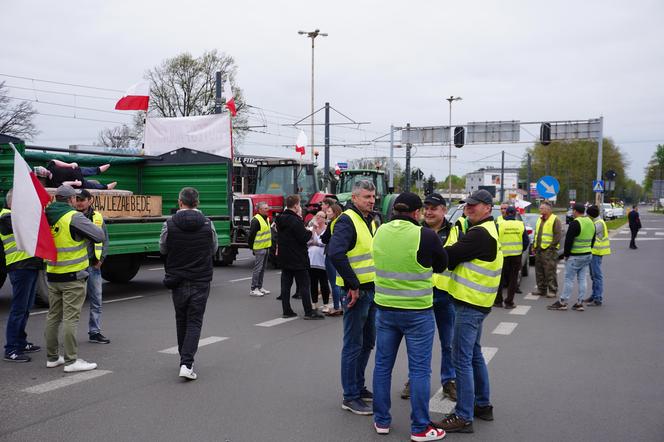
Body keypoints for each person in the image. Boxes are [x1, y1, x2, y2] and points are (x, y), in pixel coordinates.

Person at [371, 192, 447, 441]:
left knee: (382, 366)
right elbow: (441, 265)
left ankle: (381, 421)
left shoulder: (379, 231)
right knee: (419, 371)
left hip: (385, 310)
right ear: (416, 213)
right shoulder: (425, 235)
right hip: (417, 313)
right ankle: (420, 428)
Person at [433, 189, 503, 434]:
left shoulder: (479, 235)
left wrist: (436, 247)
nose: (468, 208)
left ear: (488, 208)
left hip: (469, 305)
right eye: (467, 205)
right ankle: (482, 405)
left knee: (460, 360)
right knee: (473, 355)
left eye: (474, 205)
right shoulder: (485, 230)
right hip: (477, 303)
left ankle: (463, 416)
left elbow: (448, 257)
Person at [401, 193, 457, 403]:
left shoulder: (454, 231)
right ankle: (413, 380)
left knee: (448, 342)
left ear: (444, 210)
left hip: (446, 294)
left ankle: (449, 381)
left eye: (435, 207)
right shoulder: (415, 231)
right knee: (416, 344)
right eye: (427, 207)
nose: (430, 211)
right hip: (419, 294)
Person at [329, 180, 377, 416]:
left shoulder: (370, 219)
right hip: (356, 292)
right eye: (366, 196)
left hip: (371, 290)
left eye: (373, 196)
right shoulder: (348, 219)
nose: (371, 200)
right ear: (355, 198)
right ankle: (350, 396)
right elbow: (335, 253)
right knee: (353, 345)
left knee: (367, 342)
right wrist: (353, 284)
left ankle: (358, 387)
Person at [44, 185, 105, 372]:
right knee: (71, 318)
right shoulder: (73, 216)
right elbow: (99, 235)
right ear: (70, 199)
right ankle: (71, 361)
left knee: (53, 316)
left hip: (53, 274)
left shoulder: (45, 216)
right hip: (72, 276)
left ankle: (52, 357)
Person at [160, 187, 217, 380]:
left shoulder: (169, 223)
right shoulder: (208, 224)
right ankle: (187, 363)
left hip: (177, 278)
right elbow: (214, 247)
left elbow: (163, 247)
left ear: (180, 202)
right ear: (197, 203)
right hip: (201, 278)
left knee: (181, 319)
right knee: (194, 321)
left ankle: (183, 358)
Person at [0, 189, 43, 362]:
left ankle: (21, 341)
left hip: (29, 265)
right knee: (18, 309)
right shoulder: (6, 216)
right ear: (11, 203)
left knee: (25, 308)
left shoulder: (13, 216)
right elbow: (26, 228)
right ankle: (11, 349)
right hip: (19, 267)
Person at [275, 194, 325, 320]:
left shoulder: (280, 218)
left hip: (285, 256)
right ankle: (309, 311)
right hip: (297, 257)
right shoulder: (295, 220)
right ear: (296, 205)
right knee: (304, 284)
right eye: (299, 204)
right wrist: (311, 231)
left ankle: (286, 310)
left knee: (286, 285)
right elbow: (304, 237)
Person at [75, 189, 111, 344]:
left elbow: (105, 240)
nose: (79, 202)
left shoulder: (97, 217)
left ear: (90, 200)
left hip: (93, 266)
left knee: (96, 301)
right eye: (77, 199)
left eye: (82, 199)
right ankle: (70, 335)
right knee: (74, 303)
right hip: (77, 266)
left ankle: (94, 332)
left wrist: (101, 259)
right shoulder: (72, 217)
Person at [548, 203, 595, 312]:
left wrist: (566, 255)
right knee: (582, 279)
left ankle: (563, 302)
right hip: (587, 255)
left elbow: (568, 241)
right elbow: (593, 240)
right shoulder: (591, 222)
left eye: (572, 210)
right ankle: (580, 303)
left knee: (569, 279)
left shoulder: (575, 223)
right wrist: (588, 249)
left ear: (575, 211)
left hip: (575, 256)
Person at [494, 206, 529, 309]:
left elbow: (494, 240)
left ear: (506, 213)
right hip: (516, 257)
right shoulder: (520, 224)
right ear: (514, 214)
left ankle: (498, 301)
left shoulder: (499, 224)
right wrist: (519, 251)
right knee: (513, 279)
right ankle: (509, 302)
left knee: (499, 279)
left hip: (502, 256)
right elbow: (526, 241)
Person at [530, 201, 562, 298]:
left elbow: (557, 235)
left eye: (542, 208)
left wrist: (551, 247)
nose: (540, 210)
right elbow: (537, 234)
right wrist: (534, 246)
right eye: (540, 208)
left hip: (549, 250)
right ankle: (541, 289)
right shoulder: (540, 219)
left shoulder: (555, 219)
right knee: (539, 270)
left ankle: (552, 290)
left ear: (548, 209)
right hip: (539, 249)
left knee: (550, 271)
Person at [584, 205, 610, 306]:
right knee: (593, 275)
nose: (587, 216)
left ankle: (598, 298)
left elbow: (589, 233)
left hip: (597, 252)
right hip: (593, 252)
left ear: (591, 215)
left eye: (588, 214)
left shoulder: (598, 223)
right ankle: (594, 295)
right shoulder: (596, 221)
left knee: (597, 276)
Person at [321, 202, 344, 316]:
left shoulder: (332, 223)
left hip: (331, 254)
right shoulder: (342, 222)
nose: (326, 213)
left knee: (334, 283)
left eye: (329, 211)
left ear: (335, 213)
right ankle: (342, 305)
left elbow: (325, 239)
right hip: (341, 254)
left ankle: (336, 307)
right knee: (340, 282)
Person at [41, 160, 117, 190]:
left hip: (75, 170)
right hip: (77, 182)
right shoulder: (51, 183)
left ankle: (99, 169)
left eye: (42, 170)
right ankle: (106, 187)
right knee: (91, 185)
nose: (44, 171)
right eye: (42, 173)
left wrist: (69, 165)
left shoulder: (50, 166)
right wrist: (74, 183)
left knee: (89, 170)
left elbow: (55, 161)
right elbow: (63, 184)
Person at [248, 201, 272, 297]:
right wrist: (252, 247)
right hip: (259, 248)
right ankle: (253, 289)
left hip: (266, 247)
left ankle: (260, 287)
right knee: (258, 269)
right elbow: (251, 236)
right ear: (260, 210)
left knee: (262, 269)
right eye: (265, 208)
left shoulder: (267, 219)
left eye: (267, 207)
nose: (268, 209)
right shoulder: (256, 220)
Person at [308, 211, 330, 310]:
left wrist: (315, 241)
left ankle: (325, 304)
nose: (319, 218)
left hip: (323, 260)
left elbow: (324, 243)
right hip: (311, 260)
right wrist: (313, 230)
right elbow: (308, 242)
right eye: (317, 216)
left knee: (324, 283)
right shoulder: (310, 228)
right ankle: (314, 303)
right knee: (313, 283)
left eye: (321, 216)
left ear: (325, 219)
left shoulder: (327, 230)